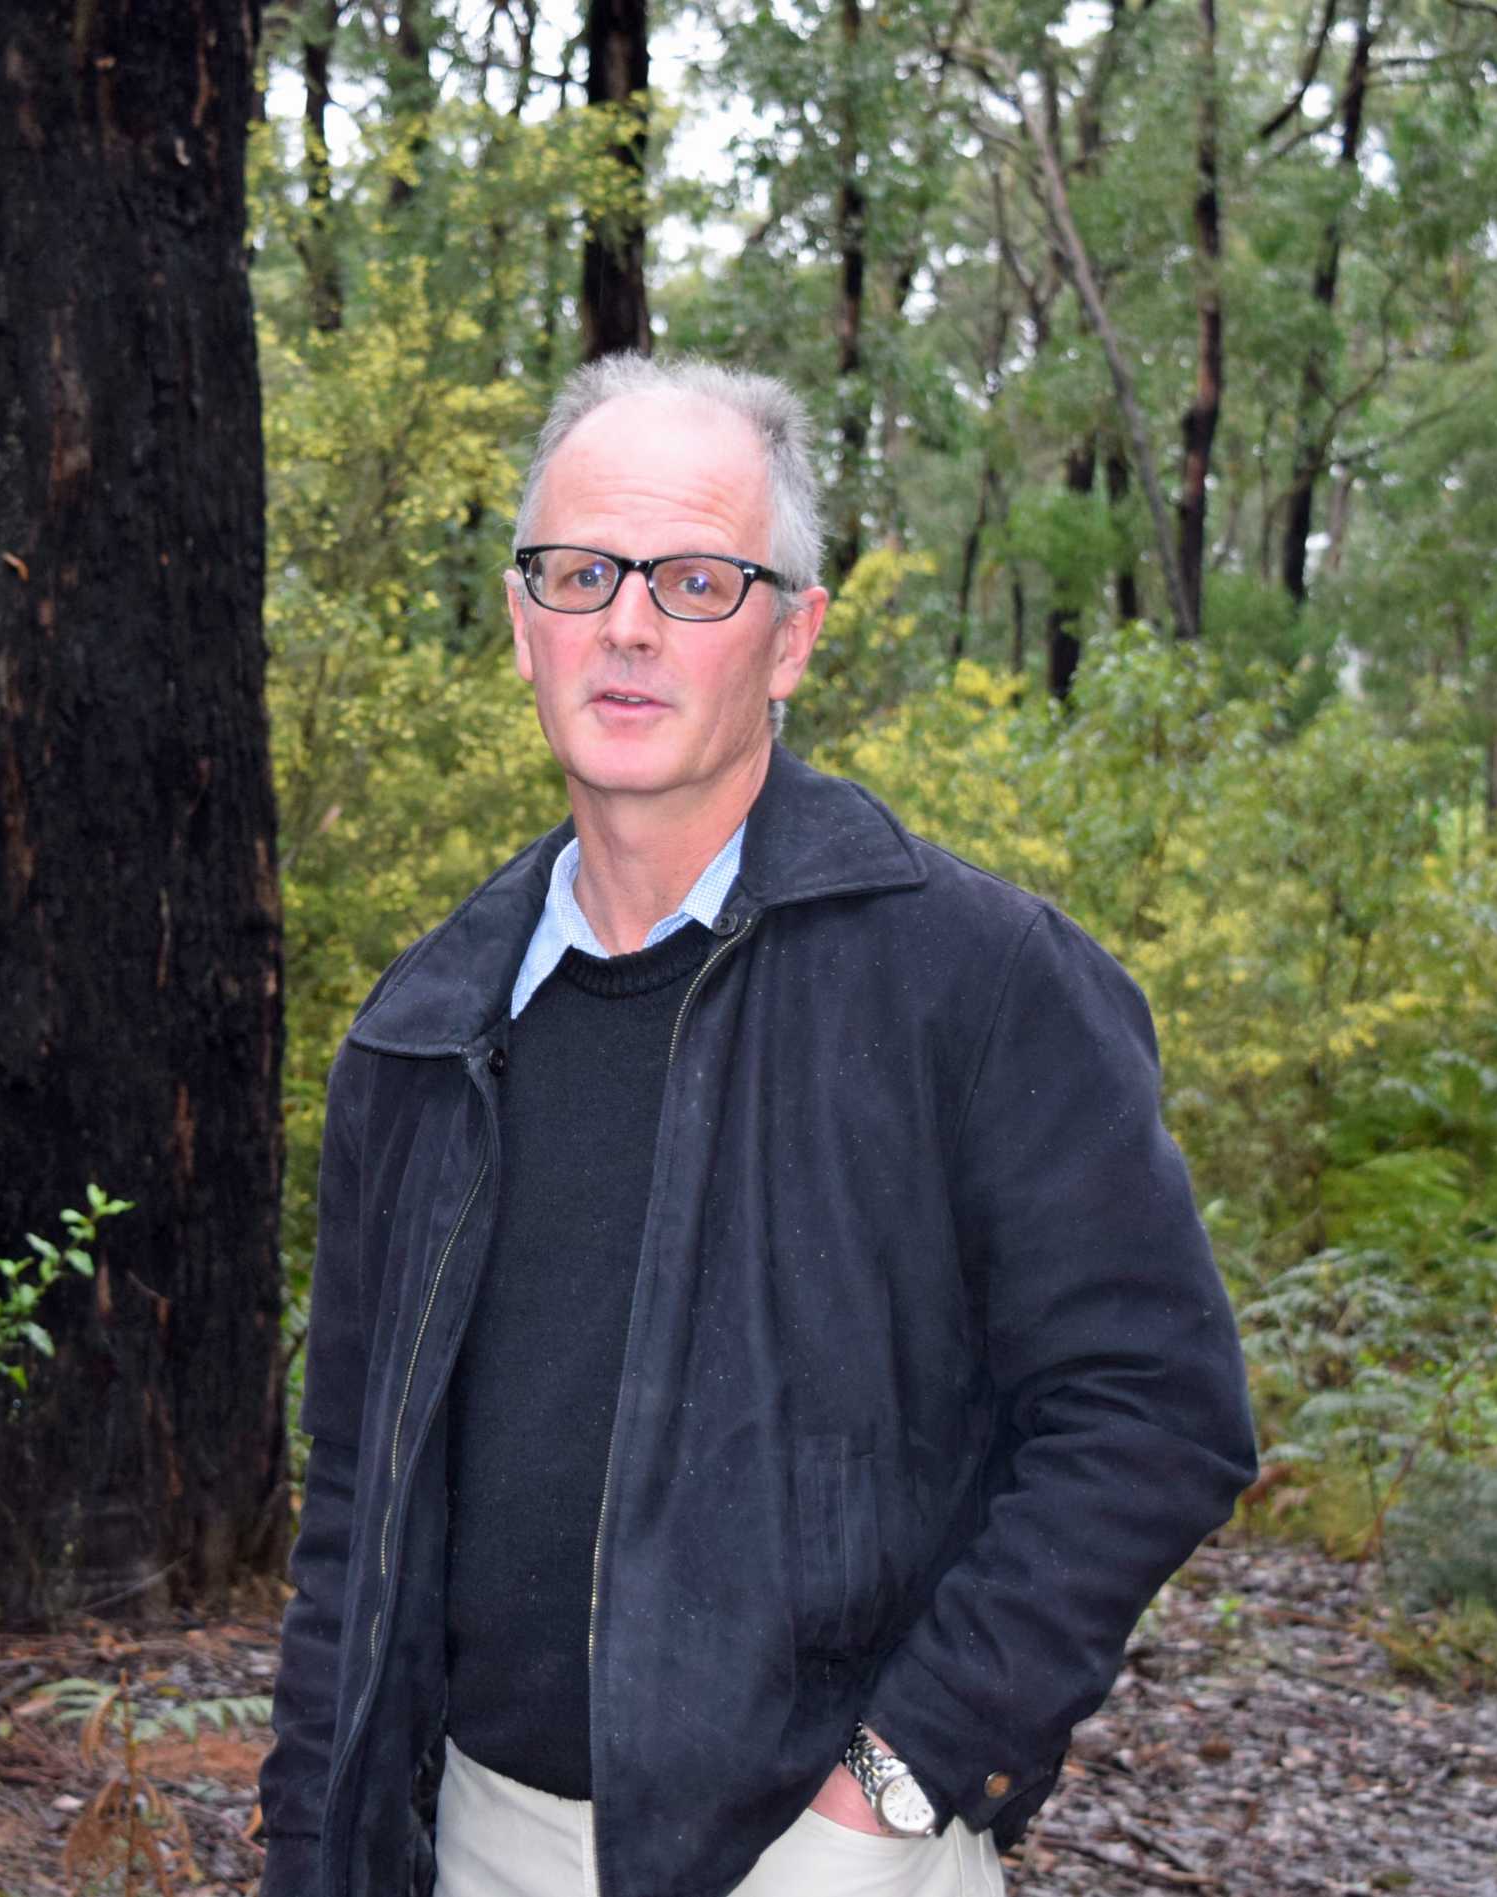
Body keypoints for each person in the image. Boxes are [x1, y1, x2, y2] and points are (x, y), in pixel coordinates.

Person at [258, 354, 1255, 1897]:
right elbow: (352, 1531)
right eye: (582, 574)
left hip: (831, 1850)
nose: (632, 624)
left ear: (793, 637)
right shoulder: (420, 1034)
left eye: (700, 580)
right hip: (483, 1842)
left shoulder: (973, 983)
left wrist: (897, 1781)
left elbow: (1156, 1406)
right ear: (523, 625)